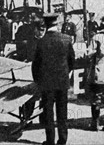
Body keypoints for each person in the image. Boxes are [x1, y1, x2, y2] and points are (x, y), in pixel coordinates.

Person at [32, 13, 75, 145]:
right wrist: (66, 73)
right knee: (62, 112)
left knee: (48, 112)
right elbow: (72, 61)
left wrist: (38, 80)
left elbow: (36, 65)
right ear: (57, 24)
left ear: (45, 25)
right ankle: (62, 140)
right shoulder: (67, 39)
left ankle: (50, 140)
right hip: (62, 81)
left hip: (47, 82)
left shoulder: (41, 42)